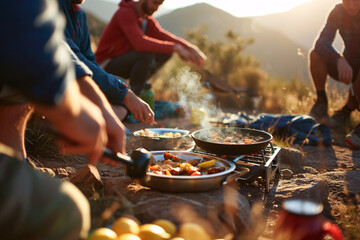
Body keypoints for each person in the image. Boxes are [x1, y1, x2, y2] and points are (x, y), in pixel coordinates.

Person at [0, 0, 126, 238]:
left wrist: (98, 102)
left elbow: (53, 42)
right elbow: (19, 23)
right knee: (66, 211)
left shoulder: (78, 16)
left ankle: (18, 163)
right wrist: (69, 107)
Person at [59, 0, 154, 124]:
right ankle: (97, 122)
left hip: (80, 79)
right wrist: (124, 93)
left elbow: (89, 60)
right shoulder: (50, 7)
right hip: (58, 83)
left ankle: (103, 119)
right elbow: (73, 59)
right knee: (120, 92)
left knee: (121, 86)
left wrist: (122, 90)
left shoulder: (79, 15)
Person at [95, 0, 207, 96]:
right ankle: (134, 98)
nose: (156, 8)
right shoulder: (125, 13)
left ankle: (140, 86)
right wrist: (176, 48)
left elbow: (168, 38)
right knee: (146, 53)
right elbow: (140, 43)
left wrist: (191, 48)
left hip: (122, 63)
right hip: (105, 65)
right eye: (154, 2)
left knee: (165, 51)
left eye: (159, 4)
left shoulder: (147, 21)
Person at [308, 0, 360, 149]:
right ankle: (321, 103)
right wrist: (338, 59)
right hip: (348, 65)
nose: (351, 6)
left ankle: (347, 114)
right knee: (316, 55)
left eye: (356, 2)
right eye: (347, 1)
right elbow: (322, 43)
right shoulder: (338, 12)